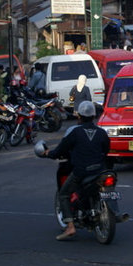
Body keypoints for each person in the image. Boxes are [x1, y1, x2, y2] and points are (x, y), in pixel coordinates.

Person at [44, 100, 111, 240]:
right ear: (94, 116)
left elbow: (59, 151)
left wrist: (47, 153)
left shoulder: (75, 132)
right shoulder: (102, 133)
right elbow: (106, 151)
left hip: (81, 172)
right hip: (100, 170)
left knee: (63, 195)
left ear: (79, 116)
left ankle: (70, 227)